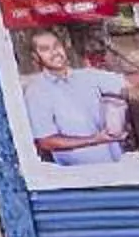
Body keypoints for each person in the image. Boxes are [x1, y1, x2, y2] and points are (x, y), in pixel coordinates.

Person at [21, 27, 130, 165]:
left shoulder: (87, 76)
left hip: (116, 164)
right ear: (35, 56)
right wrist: (95, 140)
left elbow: (126, 82)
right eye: (45, 49)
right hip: (80, 176)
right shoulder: (36, 92)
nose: (54, 52)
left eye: (56, 46)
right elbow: (46, 141)